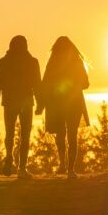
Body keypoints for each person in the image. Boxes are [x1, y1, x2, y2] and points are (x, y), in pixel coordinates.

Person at [38, 36, 89, 179]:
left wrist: (41, 104)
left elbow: (44, 84)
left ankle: (62, 163)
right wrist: (75, 86)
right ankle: (70, 169)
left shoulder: (52, 62)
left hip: (56, 104)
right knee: (72, 134)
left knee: (60, 134)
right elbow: (86, 84)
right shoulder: (77, 62)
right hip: (75, 103)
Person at [0, 35, 41, 178]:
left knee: (10, 133)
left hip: (9, 101)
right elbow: (37, 85)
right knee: (25, 135)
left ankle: (9, 156)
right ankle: (22, 168)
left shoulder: (3, 62)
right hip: (26, 101)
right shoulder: (32, 62)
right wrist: (40, 103)